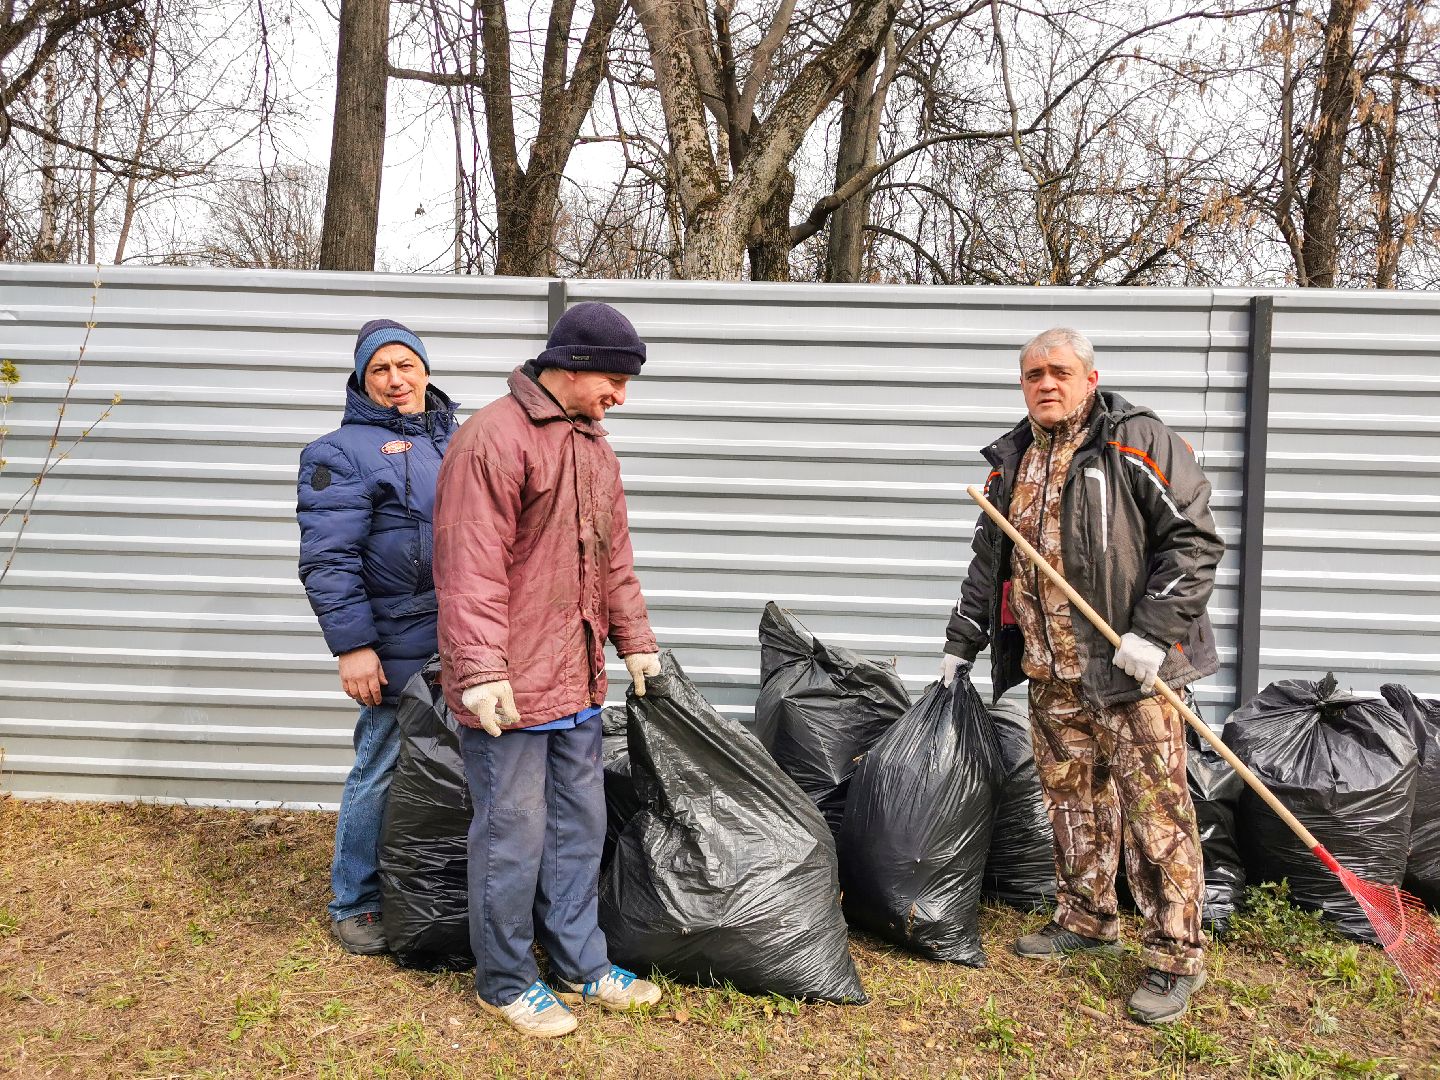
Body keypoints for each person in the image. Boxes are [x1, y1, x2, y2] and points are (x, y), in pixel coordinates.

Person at [940, 327, 1223, 1025]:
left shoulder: (1135, 441)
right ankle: (1088, 920)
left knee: (1158, 818)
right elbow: (990, 565)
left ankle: (1174, 956)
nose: (1045, 383)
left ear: (1089, 378)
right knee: (1073, 807)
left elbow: (1194, 541)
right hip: (1050, 672)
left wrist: (1153, 635)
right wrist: (961, 642)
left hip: (1131, 672)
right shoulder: (1012, 462)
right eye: (1033, 373)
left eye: (1059, 371)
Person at [433, 301, 663, 1038]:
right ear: (574, 365)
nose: (620, 398)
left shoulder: (593, 446)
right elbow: (469, 567)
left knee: (577, 826)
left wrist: (635, 639)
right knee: (512, 834)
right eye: (615, 381)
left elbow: (613, 559)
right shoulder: (492, 439)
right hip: (510, 686)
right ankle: (503, 980)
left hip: (576, 680)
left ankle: (579, 961)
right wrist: (478, 669)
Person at [297, 319, 458, 955]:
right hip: (394, 638)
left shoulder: (455, 442)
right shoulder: (339, 452)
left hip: (462, 635)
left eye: (405, 366)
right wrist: (354, 648)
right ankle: (355, 899)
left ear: (425, 370)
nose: (396, 380)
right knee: (383, 763)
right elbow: (327, 559)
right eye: (380, 370)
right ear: (363, 381)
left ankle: (426, 885)